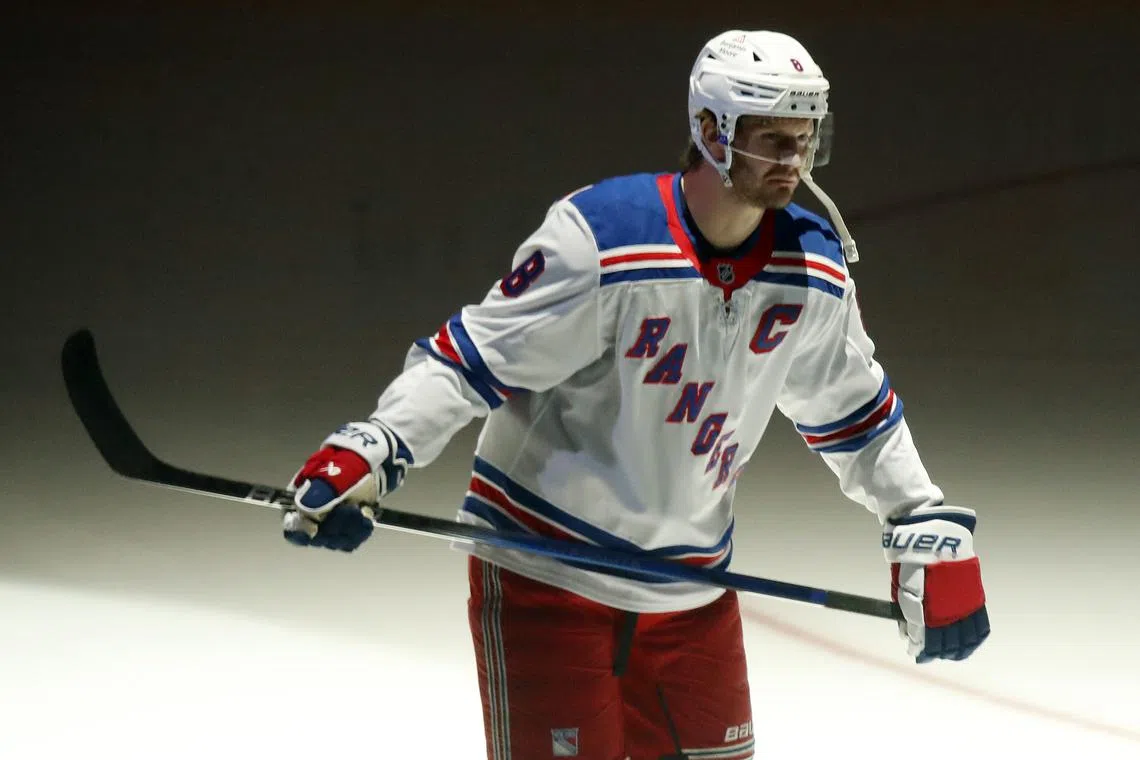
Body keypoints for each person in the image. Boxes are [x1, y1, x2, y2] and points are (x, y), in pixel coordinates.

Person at [281, 29, 990, 760]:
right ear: (711, 131)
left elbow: (853, 410)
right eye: (773, 140)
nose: (793, 161)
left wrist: (920, 517)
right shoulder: (603, 239)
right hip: (548, 578)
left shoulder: (811, 264)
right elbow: (473, 358)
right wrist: (375, 447)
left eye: (805, 140)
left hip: (692, 592)